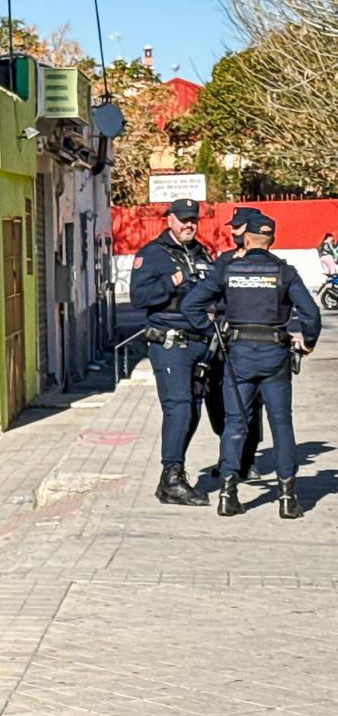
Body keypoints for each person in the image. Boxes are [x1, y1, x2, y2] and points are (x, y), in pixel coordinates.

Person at [183, 214, 322, 518]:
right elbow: (311, 315)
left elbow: (190, 305)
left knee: (235, 423)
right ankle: (287, 498)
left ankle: (228, 494)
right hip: (275, 355)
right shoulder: (284, 272)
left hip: (239, 356)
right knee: (281, 423)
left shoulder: (229, 270)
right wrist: (307, 342)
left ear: (246, 240)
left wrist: (214, 332)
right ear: (273, 240)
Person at [129, 198, 214, 506]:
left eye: (193, 219)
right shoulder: (152, 255)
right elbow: (139, 297)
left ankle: (173, 474)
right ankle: (172, 478)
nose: (189, 224)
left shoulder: (202, 253)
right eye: (183, 219)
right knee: (178, 406)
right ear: (170, 221)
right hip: (170, 342)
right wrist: (173, 281)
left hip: (199, 342)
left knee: (191, 409)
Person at [206, 208, 265, 481]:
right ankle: (227, 456)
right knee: (221, 402)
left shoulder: (269, 262)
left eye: (239, 227)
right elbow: (210, 295)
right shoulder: (225, 261)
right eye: (233, 227)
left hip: (256, 343)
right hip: (226, 341)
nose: (233, 232)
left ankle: (248, 459)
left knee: (253, 404)